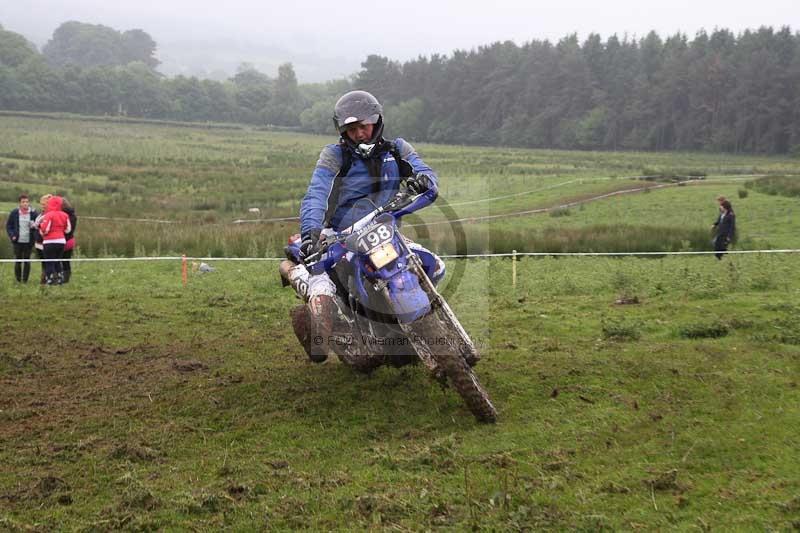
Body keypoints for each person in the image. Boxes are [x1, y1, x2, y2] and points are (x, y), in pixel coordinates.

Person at [297, 90, 444, 362]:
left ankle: (416, 326)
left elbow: (424, 171)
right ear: (343, 131)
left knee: (433, 265)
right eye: (351, 129)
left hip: (386, 232)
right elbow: (316, 193)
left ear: (376, 123)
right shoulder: (334, 155)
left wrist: (423, 181)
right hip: (340, 235)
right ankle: (331, 330)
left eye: (363, 127)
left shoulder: (397, 149)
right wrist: (311, 234)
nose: (359, 134)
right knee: (328, 280)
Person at [38, 195, 71, 285]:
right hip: (61, 241)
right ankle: (60, 277)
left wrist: (40, 230)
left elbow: (45, 229)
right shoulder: (65, 215)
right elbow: (68, 229)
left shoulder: (48, 215)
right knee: (57, 260)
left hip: (49, 241)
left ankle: (50, 278)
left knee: (49, 261)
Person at [5, 194, 39, 283]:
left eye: (27, 202)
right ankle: (18, 280)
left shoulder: (33, 213)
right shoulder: (14, 213)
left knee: (27, 261)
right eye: (23, 202)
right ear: (19, 203)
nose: (25, 204)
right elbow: (9, 226)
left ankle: (25, 281)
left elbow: (38, 226)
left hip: (29, 241)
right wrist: (12, 235)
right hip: (17, 241)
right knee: (18, 261)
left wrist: (34, 228)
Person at [61, 198, 78, 283]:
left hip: (63, 240)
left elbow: (67, 229)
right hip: (70, 240)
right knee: (66, 260)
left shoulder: (64, 215)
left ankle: (63, 277)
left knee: (61, 260)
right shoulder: (73, 215)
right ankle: (66, 278)